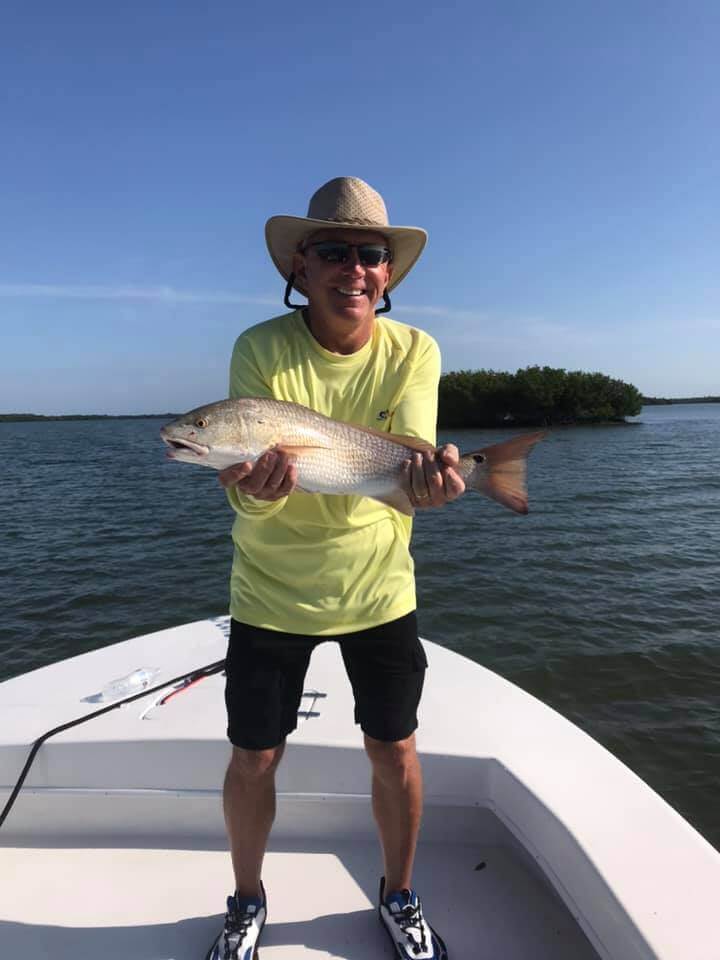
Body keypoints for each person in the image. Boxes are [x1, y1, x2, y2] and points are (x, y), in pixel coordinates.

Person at [207, 177, 465, 960]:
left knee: (396, 750)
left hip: (379, 587)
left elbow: (404, 483)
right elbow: (249, 493)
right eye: (332, 251)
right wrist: (255, 495)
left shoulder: (416, 349)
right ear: (299, 267)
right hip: (269, 591)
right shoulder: (259, 349)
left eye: (371, 254)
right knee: (253, 755)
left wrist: (438, 489)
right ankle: (246, 902)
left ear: (387, 273)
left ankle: (401, 893)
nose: (353, 268)